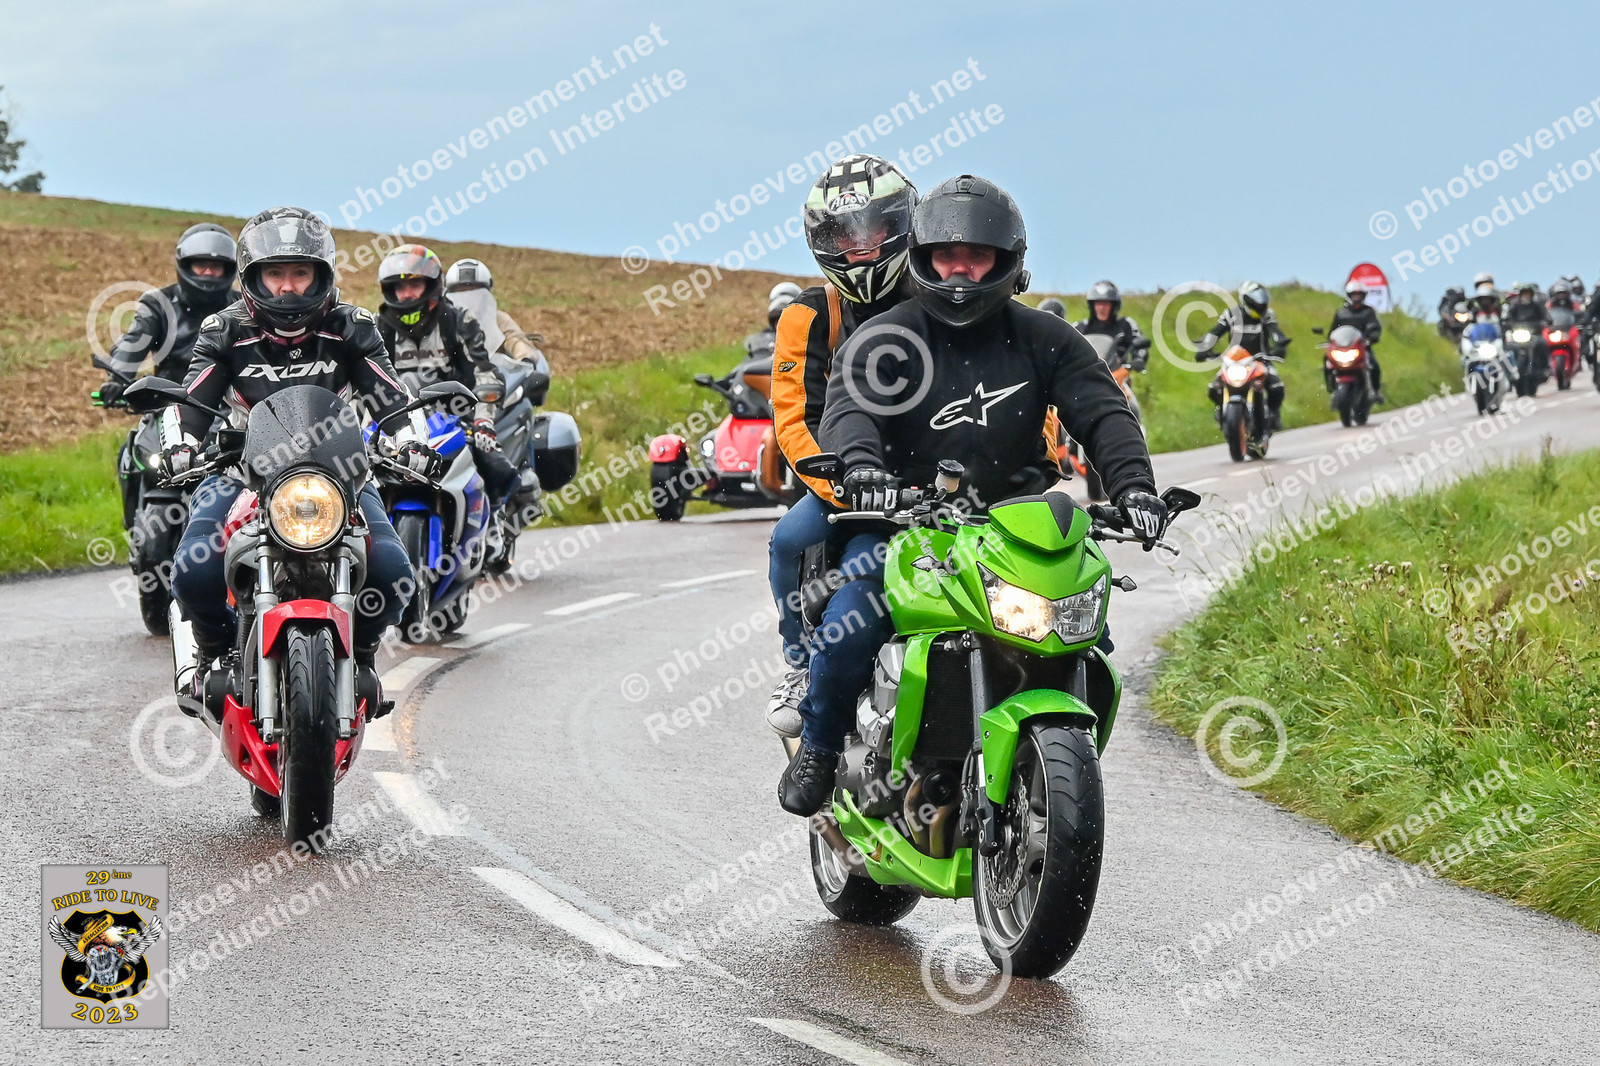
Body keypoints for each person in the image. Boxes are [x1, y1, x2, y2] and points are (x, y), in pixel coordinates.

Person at [777, 174, 1161, 816]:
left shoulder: (1047, 338)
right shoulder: (885, 336)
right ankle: (819, 746)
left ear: (1007, 261)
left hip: (1016, 526)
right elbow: (849, 410)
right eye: (947, 255)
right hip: (902, 522)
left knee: (1081, 634)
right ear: (922, 259)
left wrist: (1136, 489)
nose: (961, 270)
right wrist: (864, 471)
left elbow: (1104, 414)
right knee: (850, 625)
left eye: (977, 255)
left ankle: (1043, 764)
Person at [164, 207, 439, 688]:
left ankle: (363, 658)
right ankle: (213, 652)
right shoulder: (224, 330)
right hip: (239, 473)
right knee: (193, 571)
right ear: (252, 276)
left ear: (322, 275)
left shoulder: (353, 326)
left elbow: (392, 398)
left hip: (341, 474)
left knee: (394, 573)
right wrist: (181, 445)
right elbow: (192, 403)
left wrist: (411, 441)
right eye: (274, 274)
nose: (287, 288)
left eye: (300, 273)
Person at [765, 154, 917, 738]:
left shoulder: (941, 296)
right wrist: (844, 484)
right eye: (842, 236)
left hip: (940, 475)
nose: (858, 249)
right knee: (789, 540)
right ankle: (800, 662)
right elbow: (793, 416)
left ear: (901, 225)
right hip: (849, 481)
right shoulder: (809, 314)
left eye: (872, 230)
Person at [93, 223, 240, 529]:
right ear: (185, 265)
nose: (208, 273)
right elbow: (134, 341)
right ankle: (133, 522)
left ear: (229, 269)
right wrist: (118, 379)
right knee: (131, 453)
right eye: (201, 265)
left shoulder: (242, 309)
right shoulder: (158, 304)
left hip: (227, 412)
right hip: (165, 406)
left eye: (215, 267)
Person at [376, 244, 520, 512]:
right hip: (397, 421)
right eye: (399, 287)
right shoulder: (378, 328)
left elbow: (485, 373)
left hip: (455, 416)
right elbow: (364, 381)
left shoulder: (457, 321)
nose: (406, 294)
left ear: (433, 285)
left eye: (414, 284)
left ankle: (497, 518)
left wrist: (483, 421)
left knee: (495, 464)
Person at [1196, 281, 1290, 428]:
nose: (1260, 303)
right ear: (1245, 299)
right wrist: (1205, 348)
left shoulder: (1267, 315)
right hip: (1234, 361)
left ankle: (1273, 414)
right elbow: (1215, 332)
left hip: (1261, 360)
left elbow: (1275, 332)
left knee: (1276, 386)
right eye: (1255, 299)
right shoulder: (1231, 315)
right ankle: (1221, 410)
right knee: (1214, 388)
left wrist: (1280, 344)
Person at [443, 258, 548, 365]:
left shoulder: (498, 318)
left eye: (475, 292)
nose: (469, 298)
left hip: (492, 373)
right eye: (461, 293)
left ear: (486, 295)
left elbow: (515, 339)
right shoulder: (442, 320)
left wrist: (525, 357)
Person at [1072, 280, 1149, 371]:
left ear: (1114, 306)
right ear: (1092, 306)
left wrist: (1139, 358)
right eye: (1098, 303)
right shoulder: (1080, 327)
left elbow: (1139, 343)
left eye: (1106, 304)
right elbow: (1065, 346)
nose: (1101, 308)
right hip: (1085, 375)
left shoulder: (1126, 324)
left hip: (1117, 374)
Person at [1329, 279, 1385, 402]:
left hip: (1362, 347)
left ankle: (1375, 391)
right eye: (1354, 295)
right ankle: (1332, 390)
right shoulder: (1341, 313)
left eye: (1359, 295)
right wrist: (1330, 341)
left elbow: (1375, 327)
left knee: (1374, 365)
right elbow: (1333, 331)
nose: (1356, 298)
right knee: (1327, 363)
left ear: (1364, 296)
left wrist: (1372, 336)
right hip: (1342, 348)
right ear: (1349, 295)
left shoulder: (1368, 312)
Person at [745, 282, 803, 359]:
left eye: (787, 321)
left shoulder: (806, 339)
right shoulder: (764, 339)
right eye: (778, 320)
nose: (781, 325)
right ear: (773, 323)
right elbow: (751, 360)